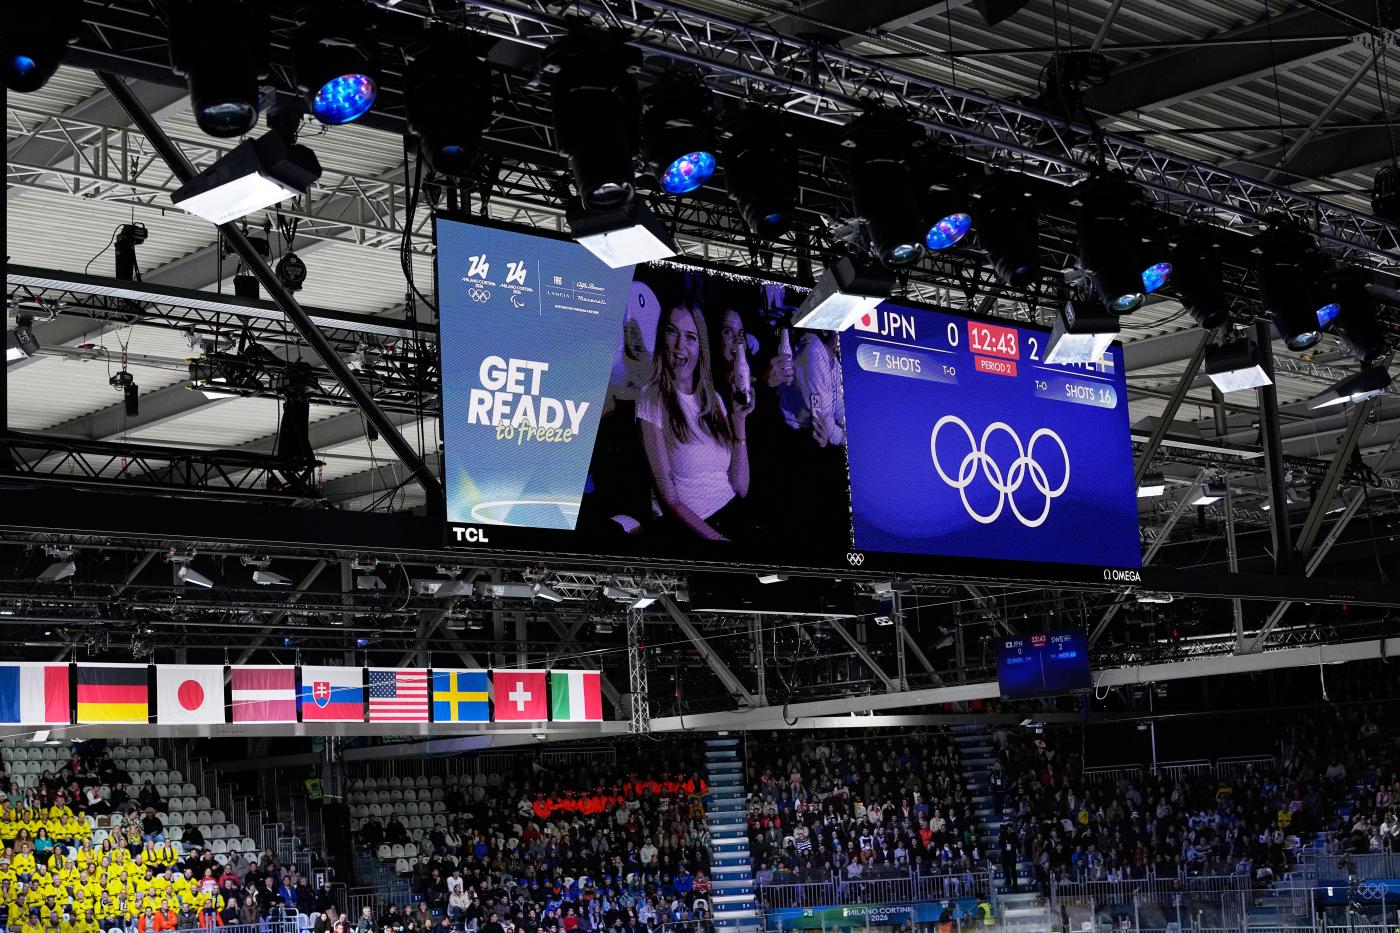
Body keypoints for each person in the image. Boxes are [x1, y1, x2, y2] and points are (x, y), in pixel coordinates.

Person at [638, 302, 752, 542]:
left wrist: (739, 420)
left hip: (735, 515)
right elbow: (670, 499)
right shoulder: (651, 398)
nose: (680, 345)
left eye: (690, 337)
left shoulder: (715, 399)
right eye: (672, 332)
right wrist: (717, 539)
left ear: (701, 348)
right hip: (697, 529)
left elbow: (740, 486)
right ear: (662, 338)